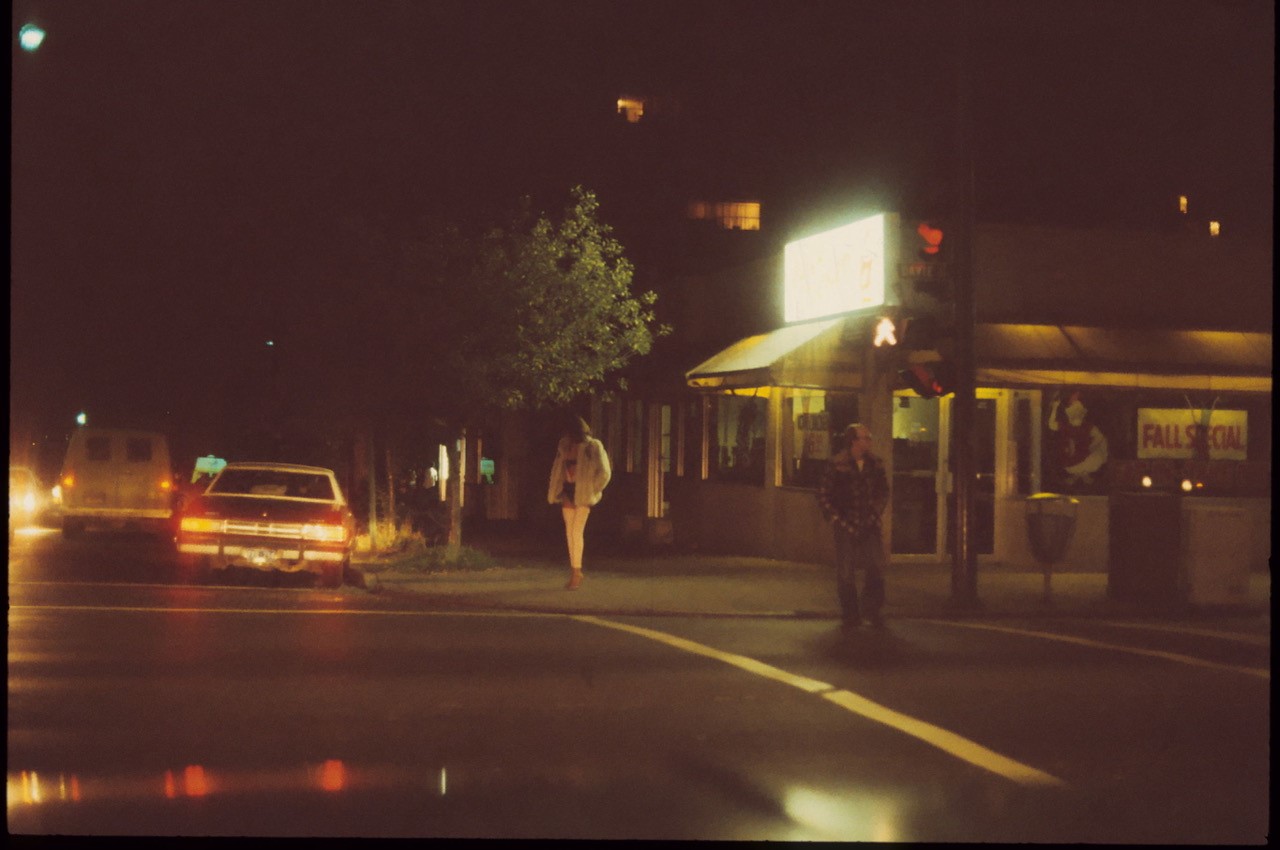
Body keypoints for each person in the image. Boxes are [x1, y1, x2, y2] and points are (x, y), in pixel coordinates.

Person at [817, 423, 890, 632]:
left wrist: (875, 513)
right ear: (853, 441)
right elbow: (824, 494)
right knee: (846, 571)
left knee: (876, 566)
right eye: (865, 438)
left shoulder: (875, 464)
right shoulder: (838, 464)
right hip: (846, 523)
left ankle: (871, 608)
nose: (868, 441)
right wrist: (836, 519)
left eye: (869, 437)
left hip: (869, 523)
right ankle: (850, 612)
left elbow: (883, 492)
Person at [547, 414, 612, 590]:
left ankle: (576, 572)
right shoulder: (565, 445)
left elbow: (605, 472)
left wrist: (593, 489)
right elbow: (557, 468)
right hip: (568, 491)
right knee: (570, 533)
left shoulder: (593, 446)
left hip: (583, 493)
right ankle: (574, 570)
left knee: (576, 532)